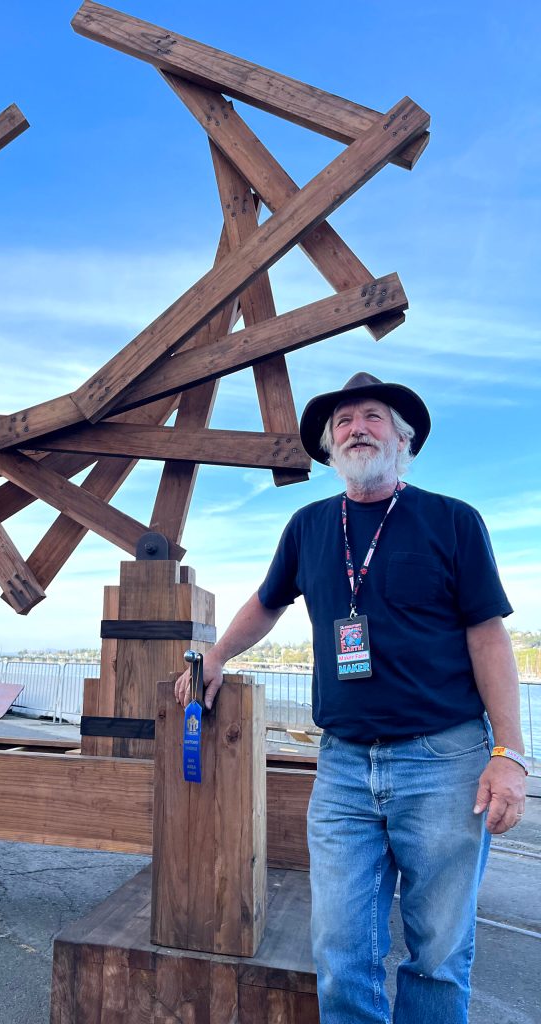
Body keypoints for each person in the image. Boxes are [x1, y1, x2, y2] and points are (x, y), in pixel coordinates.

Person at [175, 371, 527, 1024]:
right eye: (343, 422)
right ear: (330, 447)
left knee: (439, 955)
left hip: (446, 762)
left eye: (372, 417)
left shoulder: (453, 521)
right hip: (342, 768)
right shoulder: (309, 526)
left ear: (404, 440)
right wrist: (216, 656)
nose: (356, 428)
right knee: (340, 953)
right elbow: (267, 603)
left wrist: (509, 750)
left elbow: (488, 636)